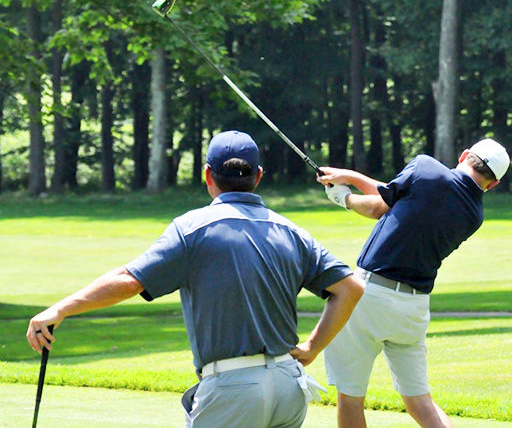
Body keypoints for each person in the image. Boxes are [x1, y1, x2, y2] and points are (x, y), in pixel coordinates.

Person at [26, 130, 364, 428]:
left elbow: (130, 280)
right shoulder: (291, 231)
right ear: (258, 176)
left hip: (232, 388)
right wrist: (311, 349)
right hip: (289, 387)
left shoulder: (192, 229)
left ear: (207, 176)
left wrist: (61, 309)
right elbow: (349, 288)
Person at [317, 138, 510, 428]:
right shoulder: (474, 215)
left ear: (465, 155)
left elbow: (378, 207)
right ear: (492, 184)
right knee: (420, 402)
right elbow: (401, 196)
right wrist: (351, 178)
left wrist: (343, 198)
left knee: (350, 398)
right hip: (413, 309)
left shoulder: (425, 167)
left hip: (368, 296)